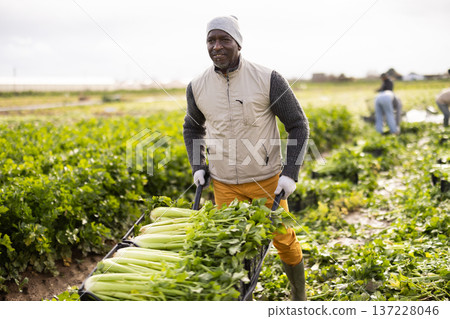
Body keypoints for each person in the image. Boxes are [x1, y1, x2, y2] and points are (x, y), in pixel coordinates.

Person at [182, 15, 309, 301]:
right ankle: (244, 299)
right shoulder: (197, 85)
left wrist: (290, 173)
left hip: (267, 181)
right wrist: (198, 165)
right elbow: (192, 127)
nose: (217, 46)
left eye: (224, 39)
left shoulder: (268, 78)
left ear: (238, 43)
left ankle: (299, 296)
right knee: (233, 246)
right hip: (224, 183)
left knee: (284, 241)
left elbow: (298, 125)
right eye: (211, 40)